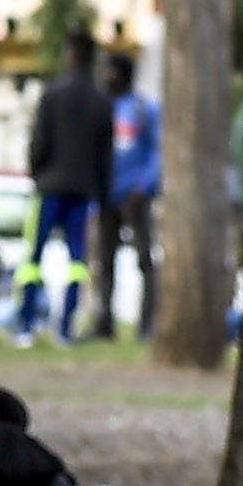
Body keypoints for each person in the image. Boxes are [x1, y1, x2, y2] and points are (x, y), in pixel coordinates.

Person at [15, 27, 111, 345]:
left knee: (33, 258)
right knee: (77, 262)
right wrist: (102, 191)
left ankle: (26, 324)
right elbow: (104, 154)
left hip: (50, 186)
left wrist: (36, 172)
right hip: (83, 190)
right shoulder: (101, 100)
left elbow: (39, 140)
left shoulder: (52, 93)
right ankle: (65, 327)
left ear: (69, 56)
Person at [89, 47, 158, 342]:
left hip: (135, 197)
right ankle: (103, 322)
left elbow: (158, 151)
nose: (105, 76)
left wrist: (144, 186)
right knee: (104, 262)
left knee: (145, 260)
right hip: (107, 196)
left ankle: (147, 325)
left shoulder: (144, 108)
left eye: (109, 70)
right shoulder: (102, 108)